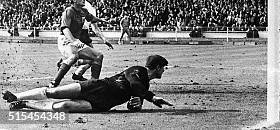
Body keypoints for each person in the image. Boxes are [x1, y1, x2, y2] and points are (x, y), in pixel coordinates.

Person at [3, 55, 172, 112]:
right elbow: (134, 84)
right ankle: (15, 96)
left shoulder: (145, 87)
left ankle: (24, 103)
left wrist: (135, 105)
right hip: (97, 86)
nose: (164, 71)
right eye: (163, 68)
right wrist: (153, 98)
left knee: (63, 107)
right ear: (156, 67)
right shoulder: (138, 70)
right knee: (53, 93)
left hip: (104, 103)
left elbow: (135, 103)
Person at [50, 0, 107, 88]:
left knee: (98, 56)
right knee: (74, 56)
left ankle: (93, 84)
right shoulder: (69, 11)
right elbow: (65, 29)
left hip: (75, 40)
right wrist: (74, 41)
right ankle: (54, 83)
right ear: (74, 0)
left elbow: (92, 18)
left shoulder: (83, 11)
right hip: (65, 40)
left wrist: (102, 20)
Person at [71, 0, 114, 81]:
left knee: (94, 57)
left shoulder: (92, 9)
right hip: (79, 33)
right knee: (95, 57)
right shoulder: (83, 5)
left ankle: (77, 74)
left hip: (85, 34)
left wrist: (104, 39)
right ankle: (92, 81)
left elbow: (95, 28)